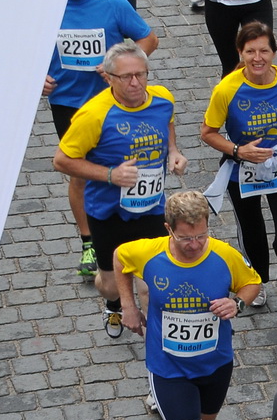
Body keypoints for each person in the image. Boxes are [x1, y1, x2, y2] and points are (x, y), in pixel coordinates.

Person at [116, 191, 262, 420]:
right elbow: (119, 257)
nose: (195, 244)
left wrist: (238, 303)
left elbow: (253, 282)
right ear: (169, 230)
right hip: (169, 368)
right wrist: (129, 306)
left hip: (215, 365)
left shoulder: (223, 254)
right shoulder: (149, 253)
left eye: (201, 235)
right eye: (186, 238)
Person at [53, 40, 188, 335]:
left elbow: (168, 123)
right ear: (110, 79)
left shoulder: (162, 98)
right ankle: (113, 304)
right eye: (127, 77)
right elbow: (62, 160)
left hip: (152, 208)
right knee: (111, 285)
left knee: (152, 282)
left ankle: (157, 340)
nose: (136, 83)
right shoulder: (94, 115)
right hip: (108, 212)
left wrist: (174, 152)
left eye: (141, 74)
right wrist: (110, 175)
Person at [44, 0, 157, 281]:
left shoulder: (112, 1)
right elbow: (21, 46)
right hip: (67, 103)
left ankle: (126, 226)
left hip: (111, 103)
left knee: (121, 166)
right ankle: (89, 241)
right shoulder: (46, 3)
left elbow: (148, 39)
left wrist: (122, 65)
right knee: (79, 173)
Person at [201, 21, 277, 348]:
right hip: (242, 172)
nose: (257, 57)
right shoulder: (227, 89)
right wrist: (239, 150)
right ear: (241, 53)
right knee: (253, 235)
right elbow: (207, 132)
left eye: (264, 50)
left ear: (274, 52)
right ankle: (256, 279)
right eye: (250, 51)